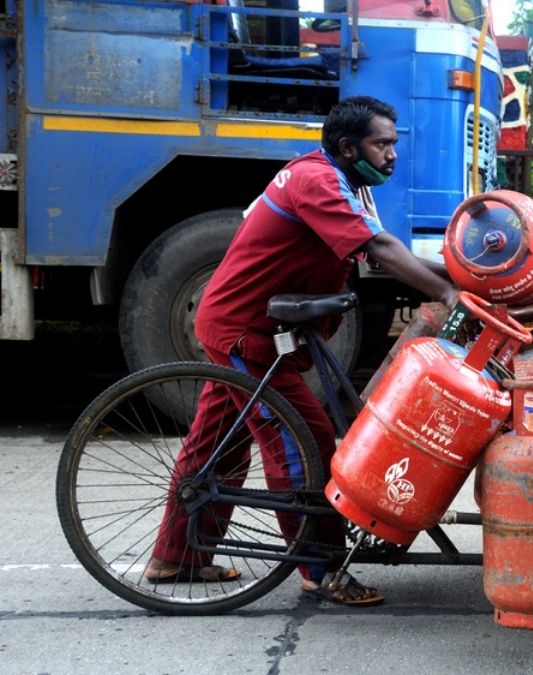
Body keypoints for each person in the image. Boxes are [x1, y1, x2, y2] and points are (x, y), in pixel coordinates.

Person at [145, 96, 457, 606]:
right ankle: (320, 568)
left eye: (393, 144)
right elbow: (378, 251)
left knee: (216, 445)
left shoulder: (341, 182)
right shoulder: (318, 180)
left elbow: (381, 251)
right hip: (247, 333)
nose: (392, 155)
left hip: (243, 324)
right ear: (347, 145)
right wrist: (445, 293)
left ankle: (175, 557)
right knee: (303, 438)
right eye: (382, 145)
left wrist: (462, 277)